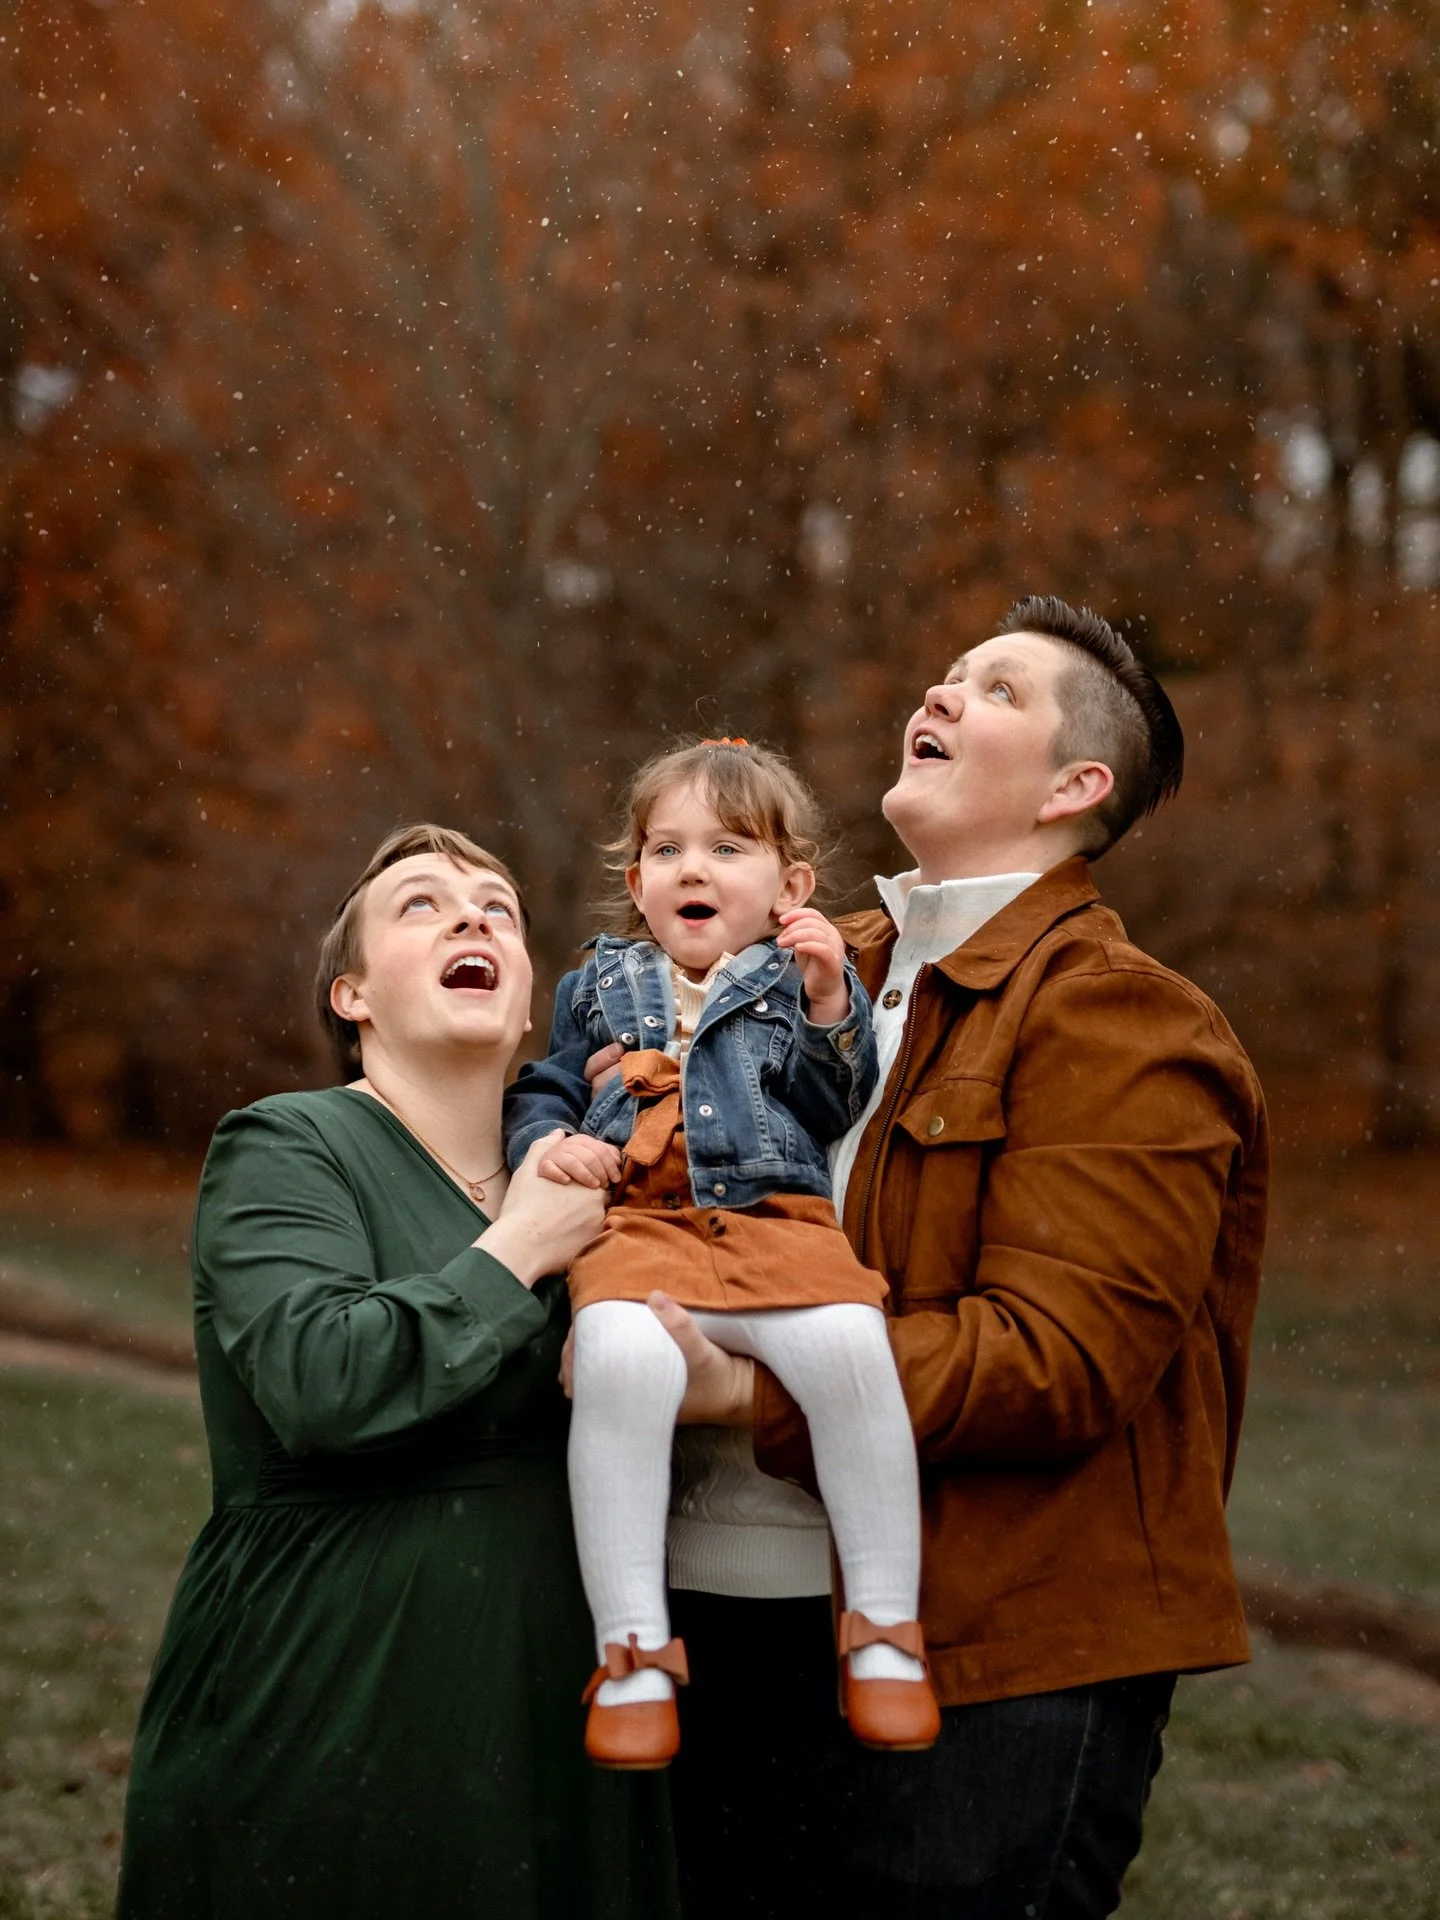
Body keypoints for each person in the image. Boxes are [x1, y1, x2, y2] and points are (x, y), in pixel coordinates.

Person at [646, 599, 1269, 1919]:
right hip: (725, 1617)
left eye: (993, 690)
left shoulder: (1123, 1020)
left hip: (996, 1657)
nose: (937, 694)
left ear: (1074, 786)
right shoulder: (804, 970)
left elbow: (1057, 1360)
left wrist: (742, 1391)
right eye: (944, 676)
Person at [117, 824, 678, 1920]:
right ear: (353, 996)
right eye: (421, 904)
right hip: (331, 1693)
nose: (473, 916)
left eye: (499, 909)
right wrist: (520, 1246)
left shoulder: (606, 1173)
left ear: (529, 1003)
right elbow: (322, 1380)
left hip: (566, 1710)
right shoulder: (286, 1146)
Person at [504, 740, 938, 1772]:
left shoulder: (801, 981)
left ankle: (883, 1627)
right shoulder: (597, 984)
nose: (692, 868)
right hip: (642, 1229)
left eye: (728, 848)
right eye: (667, 850)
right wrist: (550, 1141)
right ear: (636, 885)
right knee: (619, 1362)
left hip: (778, 1223)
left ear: (791, 889)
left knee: (853, 1350)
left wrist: (829, 1005)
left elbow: (834, 1104)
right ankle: (632, 1652)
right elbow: (546, 1086)